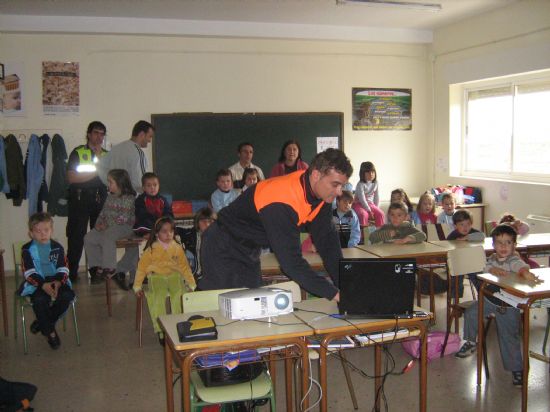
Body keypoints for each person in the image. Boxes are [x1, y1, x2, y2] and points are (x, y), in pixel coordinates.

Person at [200, 148, 353, 301]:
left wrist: (348, 285)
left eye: (342, 186)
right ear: (316, 175)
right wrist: (334, 293)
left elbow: (328, 244)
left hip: (249, 249)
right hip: (222, 246)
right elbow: (292, 263)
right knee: (223, 311)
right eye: (335, 184)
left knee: (252, 308)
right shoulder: (281, 201)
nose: (339, 192)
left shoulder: (320, 194)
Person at [455, 224, 540, 387]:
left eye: (508, 242)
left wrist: (525, 273)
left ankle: (517, 370)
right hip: (490, 298)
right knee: (471, 313)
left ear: (514, 245)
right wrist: (492, 269)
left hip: (508, 304)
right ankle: (471, 342)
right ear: (493, 245)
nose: (503, 246)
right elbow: (485, 267)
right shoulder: (493, 258)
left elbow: (520, 267)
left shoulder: (513, 259)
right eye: (499, 242)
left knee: (508, 338)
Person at [133, 217, 195, 345]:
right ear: (157, 233)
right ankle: (161, 330)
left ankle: (178, 327)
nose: (169, 234)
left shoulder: (177, 247)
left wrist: (191, 283)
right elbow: (141, 268)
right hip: (157, 277)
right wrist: (137, 286)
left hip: (174, 276)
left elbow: (184, 267)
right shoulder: (151, 249)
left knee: (179, 295)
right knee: (157, 297)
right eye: (164, 231)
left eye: (171, 231)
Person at [19, 212, 75, 350]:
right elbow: (29, 272)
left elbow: (64, 268)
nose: (42, 234)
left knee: (67, 295)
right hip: (36, 282)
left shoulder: (58, 247)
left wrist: (57, 282)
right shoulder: (27, 250)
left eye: (46, 230)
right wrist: (43, 285)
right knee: (39, 300)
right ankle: (49, 332)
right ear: (31, 233)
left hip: (56, 280)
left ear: (51, 231)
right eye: (38, 231)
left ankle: (42, 323)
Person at [66, 121, 108, 282]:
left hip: (100, 199)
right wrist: (97, 172)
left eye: (102, 134)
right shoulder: (78, 152)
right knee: (76, 237)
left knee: (98, 238)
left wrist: (99, 160)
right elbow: (72, 178)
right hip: (80, 199)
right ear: (89, 134)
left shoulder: (106, 155)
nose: (99, 137)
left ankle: (96, 272)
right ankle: (71, 274)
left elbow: (109, 179)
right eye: (96, 132)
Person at [83, 169, 136, 285]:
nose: (108, 185)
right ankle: (97, 266)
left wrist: (106, 225)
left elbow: (123, 218)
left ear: (120, 183)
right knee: (89, 238)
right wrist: (98, 224)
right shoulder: (109, 197)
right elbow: (103, 212)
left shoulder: (129, 198)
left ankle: (109, 267)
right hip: (108, 227)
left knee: (108, 236)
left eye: (110, 182)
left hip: (124, 227)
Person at [98, 120, 154, 193]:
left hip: (115, 198)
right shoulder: (138, 153)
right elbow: (142, 182)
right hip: (133, 199)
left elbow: (100, 169)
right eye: (150, 136)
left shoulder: (116, 149)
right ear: (142, 134)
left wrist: (114, 187)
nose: (150, 140)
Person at [177, 208, 217, 281]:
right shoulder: (190, 235)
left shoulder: (220, 238)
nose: (207, 224)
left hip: (213, 277)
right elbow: (171, 228)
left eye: (211, 221)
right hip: (194, 276)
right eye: (203, 221)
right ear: (197, 222)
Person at [352, 161, 385, 227]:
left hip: (370, 204)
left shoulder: (375, 183)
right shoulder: (360, 184)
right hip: (358, 204)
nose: (371, 174)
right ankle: (363, 236)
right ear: (362, 173)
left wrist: (376, 208)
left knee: (380, 214)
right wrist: (369, 211)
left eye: (373, 172)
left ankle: (380, 234)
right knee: (363, 215)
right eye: (368, 172)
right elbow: (362, 199)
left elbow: (376, 196)